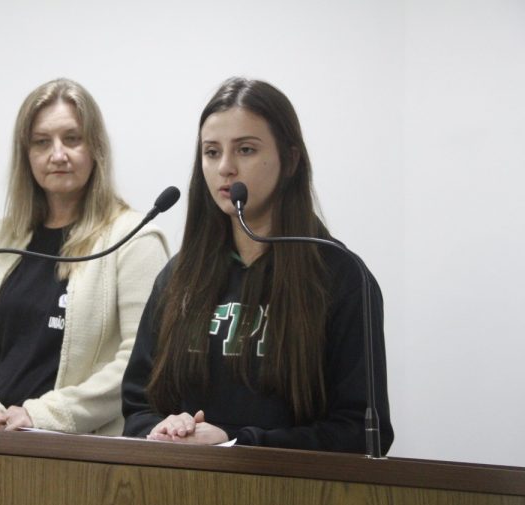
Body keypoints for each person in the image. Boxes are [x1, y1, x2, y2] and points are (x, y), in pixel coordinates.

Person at [121, 77, 393, 453]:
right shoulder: (178, 277)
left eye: (246, 150)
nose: (225, 168)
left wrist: (238, 443)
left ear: (291, 159)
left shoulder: (341, 277)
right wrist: (163, 428)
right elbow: (138, 408)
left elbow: (362, 433)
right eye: (212, 152)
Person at [0, 78, 169, 435]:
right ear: (26, 155)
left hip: (85, 457)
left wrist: (44, 415)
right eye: (41, 142)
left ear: (95, 148)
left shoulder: (134, 239)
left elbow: (141, 362)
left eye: (72, 139)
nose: (57, 154)